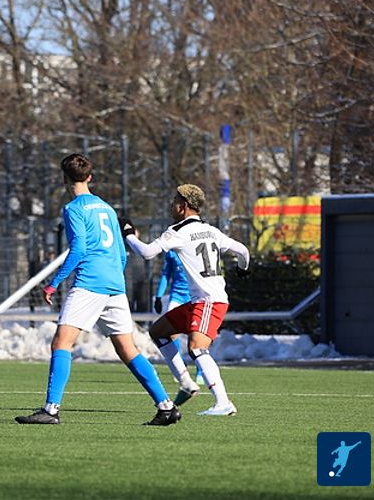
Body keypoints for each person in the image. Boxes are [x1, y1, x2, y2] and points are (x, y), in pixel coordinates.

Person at [15, 154, 180, 426]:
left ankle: (51, 410)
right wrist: (114, 275)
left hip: (90, 283)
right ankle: (166, 406)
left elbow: (79, 248)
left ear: (64, 178)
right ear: (89, 177)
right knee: (127, 349)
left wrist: (54, 282)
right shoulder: (107, 208)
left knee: (61, 343)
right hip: (114, 283)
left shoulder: (73, 209)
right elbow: (122, 252)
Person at [121, 184, 250, 416]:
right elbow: (243, 251)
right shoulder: (211, 230)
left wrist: (129, 234)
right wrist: (243, 269)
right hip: (201, 301)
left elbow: (147, 253)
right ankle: (187, 383)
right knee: (158, 332)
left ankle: (223, 402)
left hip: (208, 301)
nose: (172, 205)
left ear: (184, 206)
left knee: (197, 348)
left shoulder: (178, 231)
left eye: (175, 200)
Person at [154, 250, 204, 383]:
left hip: (195, 297)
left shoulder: (195, 247)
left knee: (197, 333)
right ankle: (181, 367)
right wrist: (158, 296)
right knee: (168, 333)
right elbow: (166, 274)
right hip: (177, 297)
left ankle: (200, 370)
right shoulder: (171, 252)